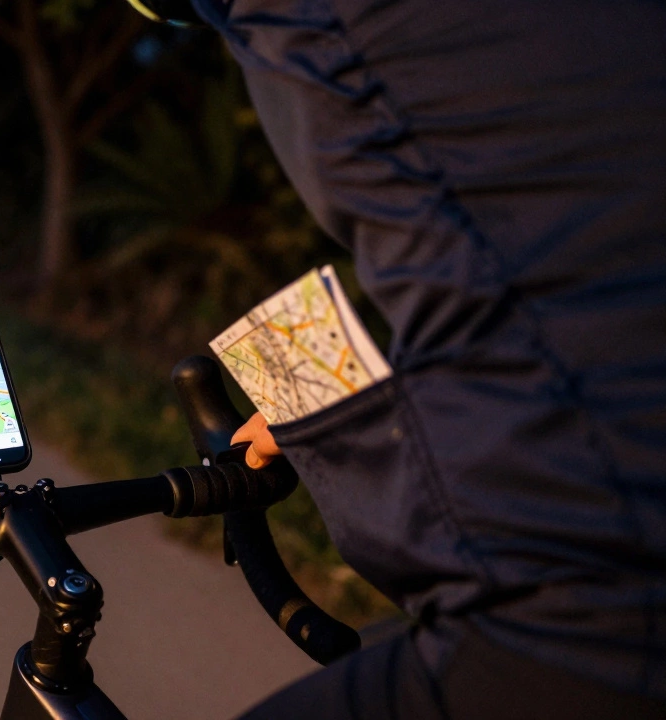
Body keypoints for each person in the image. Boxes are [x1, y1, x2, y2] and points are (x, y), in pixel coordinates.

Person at [136, 0, 666, 717]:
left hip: (597, 616)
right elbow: (541, 298)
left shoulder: (312, 21)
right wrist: (314, 419)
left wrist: (325, 437)